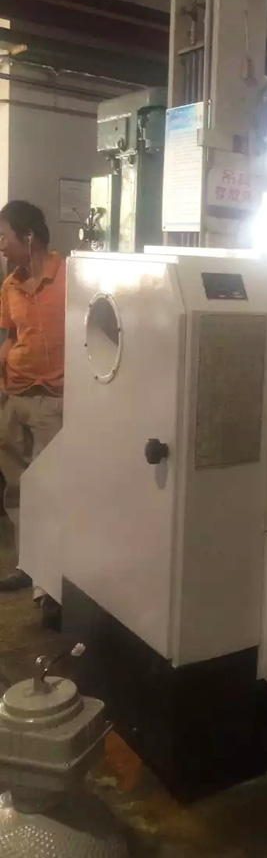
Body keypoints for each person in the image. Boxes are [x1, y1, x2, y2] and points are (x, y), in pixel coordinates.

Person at [0, 201, 65, 592]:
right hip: (14, 397)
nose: (1, 246)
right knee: (18, 489)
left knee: (51, 489)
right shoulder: (9, 285)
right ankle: (27, 566)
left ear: (28, 237)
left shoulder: (70, 277)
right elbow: (11, 337)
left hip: (52, 401)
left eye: (4, 237)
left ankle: (50, 582)